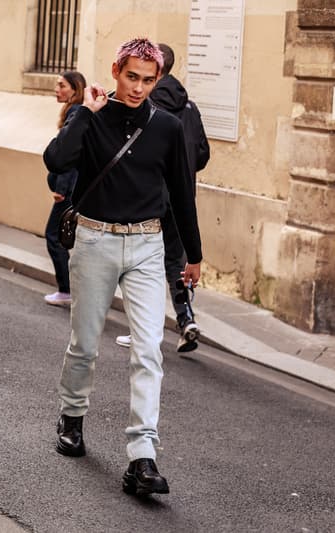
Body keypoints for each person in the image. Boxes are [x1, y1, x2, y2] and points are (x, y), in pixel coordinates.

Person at [44, 37, 202, 496]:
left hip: (148, 246)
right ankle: (72, 416)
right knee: (85, 343)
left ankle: (142, 456)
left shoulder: (168, 127)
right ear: (116, 70)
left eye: (148, 80)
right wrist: (86, 114)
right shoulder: (90, 117)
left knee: (149, 350)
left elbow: (181, 194)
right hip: (95, 240)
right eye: (131, 77)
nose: (138, 88)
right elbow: (56, 159)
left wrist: (192, 253)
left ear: (158, 81)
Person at [115, 42, 210, 352]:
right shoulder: (190, 107)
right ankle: (186, 319)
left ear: (156, 70)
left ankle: (143, 328)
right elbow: (203, 154)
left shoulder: (143, 105)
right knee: (174, 262)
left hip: (150, 198)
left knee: (142, 264)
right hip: (181, 197)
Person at [44, 71, 87, 307]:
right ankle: (70, 289)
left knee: (54, 237)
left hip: (68, 191)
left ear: (75, 89)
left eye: (61, 85)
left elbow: (71, 154)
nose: (56, 89)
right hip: (72, 190)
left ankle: (66, 290)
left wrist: (61, 188)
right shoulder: (75, 112)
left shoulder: (76, 112)